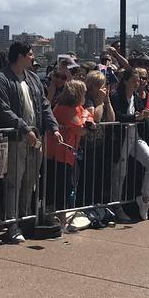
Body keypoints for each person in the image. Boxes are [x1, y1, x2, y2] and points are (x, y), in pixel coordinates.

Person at [0, 42, 57, 242]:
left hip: (34, 138)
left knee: (30, 180)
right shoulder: (1, 78)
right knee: (13, 182)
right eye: (30, 54)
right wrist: (24, 128)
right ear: (19, 56)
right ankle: (12, 224)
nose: (33, 57)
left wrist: (53, 127)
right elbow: (3, 109)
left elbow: (44, 104)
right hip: (16, 139)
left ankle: (26, 219)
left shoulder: (34, 78)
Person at [108, 68, 149, 223]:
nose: (137, 84)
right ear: (125, 81)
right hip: (122, 137)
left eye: (138, 81)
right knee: (120, 173)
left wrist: (146, 115)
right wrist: (135, 116)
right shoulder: (117, 96)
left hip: (135, 135)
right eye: (133, 81)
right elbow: (117, 116)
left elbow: (139, 115)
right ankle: (116, 206)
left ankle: (144, 198)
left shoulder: (136, 97)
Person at [48, 80, 96, 230]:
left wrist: (87, 120)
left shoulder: (77, 107)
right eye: (84, 93)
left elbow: (88, 114)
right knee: (61, 187)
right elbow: (80, 129)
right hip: (58, 154)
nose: (85, 95)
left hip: (69, 153)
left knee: (68, 186)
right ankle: (59, 220)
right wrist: (87, 123)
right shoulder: (64, 108)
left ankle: (61, 219)